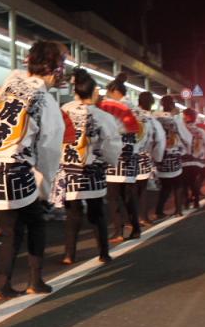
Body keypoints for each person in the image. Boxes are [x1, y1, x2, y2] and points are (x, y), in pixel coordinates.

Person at [0, 40, 66, 299]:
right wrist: (51, 186)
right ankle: (34, 280)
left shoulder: (12, 86)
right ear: (55, 68)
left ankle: (3, 284)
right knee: (34, 223)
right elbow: (49, 151)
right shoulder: (45, 101)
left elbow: (17, 74)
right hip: (12, 171)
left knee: (12, 230)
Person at [58, 69, 122, 265]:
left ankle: (69, 254)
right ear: (93, 91)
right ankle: (103, 253)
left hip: (68, 168)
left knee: (72, 214)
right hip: (92, 168)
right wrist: (111, 162)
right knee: (97, 212)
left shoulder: (63, 110)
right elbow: (111, 144)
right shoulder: (102, 116)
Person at [100, 73, 142, 240]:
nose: (108, 96)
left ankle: (119, 230)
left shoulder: (115, 107)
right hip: (132, 153)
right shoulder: (136, 108)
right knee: (128, 195)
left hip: (117, 152)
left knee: (112, 196)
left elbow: (108, 130)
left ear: (115, 91)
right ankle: (135, 228)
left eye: (109, 92)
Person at [154, 96, 192, 218]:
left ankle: (159, 210)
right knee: (177, 184)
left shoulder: (156, 117)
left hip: (161, 154)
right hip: (174, 154)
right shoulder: (176, 119)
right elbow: (185, 135)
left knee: (165, 185)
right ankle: (178, 210)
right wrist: (187, 147)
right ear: (172, 105)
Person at [134, 91, 166, 224]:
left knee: (130, 190)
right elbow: (160, 140)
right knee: (143, 189)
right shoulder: (153, 121)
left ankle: (130, 219)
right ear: (152, 104)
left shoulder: (131, 115)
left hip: (126, 157)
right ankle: (143, 216)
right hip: (144, 156)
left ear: (138, 102)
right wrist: (157, 158)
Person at [181, 108, 205, 209]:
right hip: (197, 160)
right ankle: (196, 201)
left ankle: (186, 201)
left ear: (187, 117)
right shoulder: (200, 131)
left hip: (184, 160)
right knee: (193, 180)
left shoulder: (182, 130)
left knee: (185, 181)